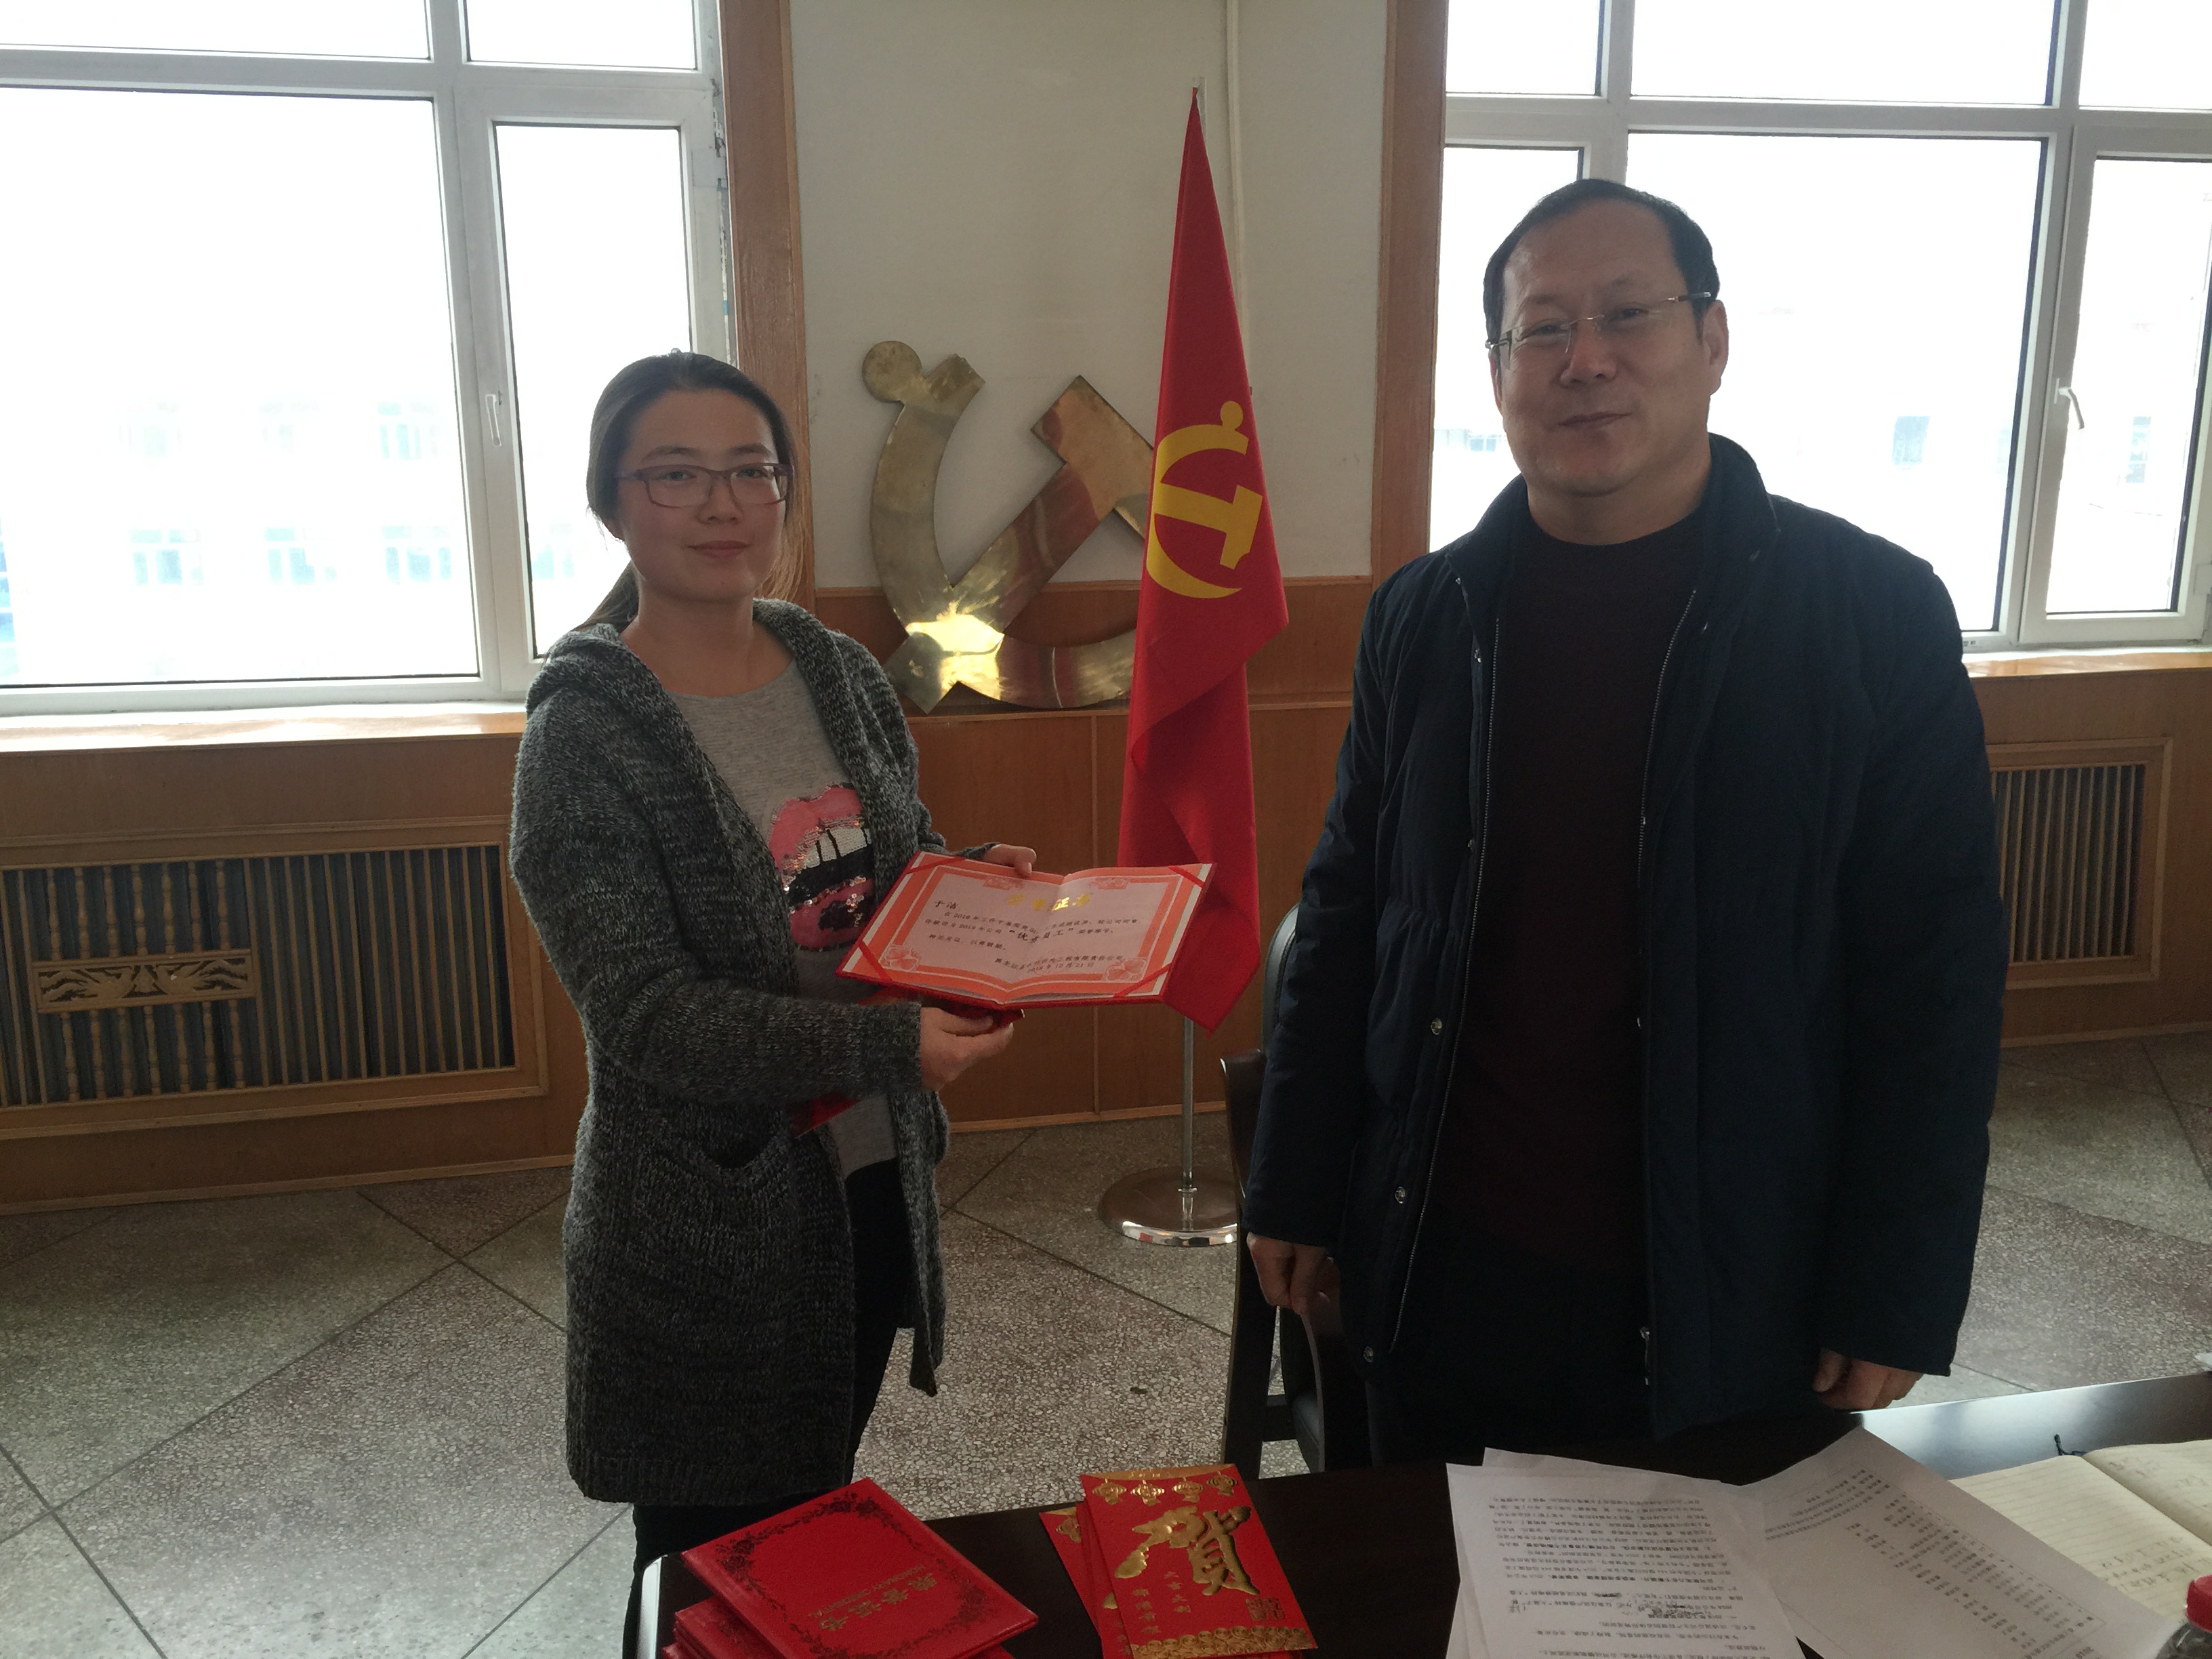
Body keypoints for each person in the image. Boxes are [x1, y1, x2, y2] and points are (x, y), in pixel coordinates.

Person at [1241, 178, 2008, 1461]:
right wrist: (1297, 1181)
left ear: (1712, 340)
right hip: (1450, 1266)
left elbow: (1935, 974)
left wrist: (1897, 1280)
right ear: (1497, 374)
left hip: (1740, 1283)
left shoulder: (1873, 614)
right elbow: (1349, 910)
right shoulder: (1425, 617)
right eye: (1541, 328)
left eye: (1627, 314)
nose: (1584, 360)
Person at [506, 351, 1029, 1652]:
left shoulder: (831, 668)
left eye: (751, 471)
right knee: (704, 1574)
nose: (722, 503)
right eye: (675, 474)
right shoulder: (585, 734)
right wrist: (892, 1042)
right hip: (707, 1225)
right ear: (612, 502)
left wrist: (973, 891)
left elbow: (885, 871)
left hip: (864, 1180)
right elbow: (648, 1019)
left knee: (811, 1518)